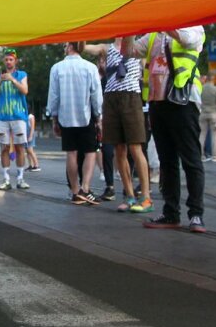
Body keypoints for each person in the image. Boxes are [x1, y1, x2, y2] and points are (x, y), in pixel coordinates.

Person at [127, 26, 207, 233]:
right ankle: (171, 213)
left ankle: (196, 214)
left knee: (191, 159)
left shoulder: (194, 26)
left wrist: (167, 23)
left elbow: (188, 40)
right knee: (167, 161)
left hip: (183, 102)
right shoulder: (153, 35)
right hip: (157, 101)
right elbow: (129, 51)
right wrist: (128, 28)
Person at [84, 38, 152, 213]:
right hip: (112, 98)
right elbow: (85, 47)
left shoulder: (137, 47)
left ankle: (145, 197)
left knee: (136, 148)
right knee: (119, 150)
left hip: (131, 97)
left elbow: (147, 71)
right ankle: (129, 196)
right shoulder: (106, 48)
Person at [48, 42, 103, 205]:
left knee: (71, 153)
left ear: (70, 47)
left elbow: (54, 96)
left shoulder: (56, 68)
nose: (64, 47)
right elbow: (96, 95)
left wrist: (54, 118)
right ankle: (85, 188)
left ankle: (74, 190)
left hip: (66, 117)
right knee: (90, 152)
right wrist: (98, 116)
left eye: (65, 45)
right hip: (86, 116)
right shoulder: (90, 67)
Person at [0, 48, 31, 191]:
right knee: (4, 148)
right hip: (2, 117)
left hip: (18, 116)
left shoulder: (21, 75)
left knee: (20, 147)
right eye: (6, 59)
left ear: (16, 61)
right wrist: (0, 82)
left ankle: (20, 179)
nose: (8, 62)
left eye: (11, 59)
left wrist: (13, 80)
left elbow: (25, 91)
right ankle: (6, 179)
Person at [199, 75, 216, 162]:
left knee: (202, 134)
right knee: (215, 135)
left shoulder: (201, 88)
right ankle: (215, 156)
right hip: (214, 113)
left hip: (202, 113)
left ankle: (200, 155)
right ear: (214, 79)